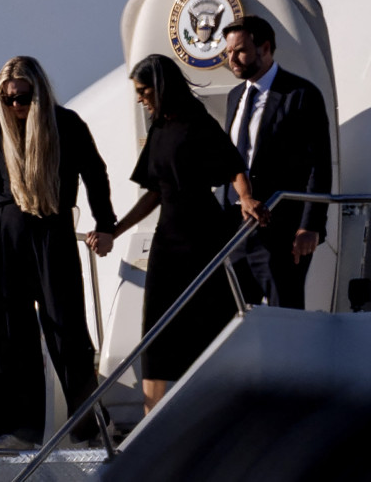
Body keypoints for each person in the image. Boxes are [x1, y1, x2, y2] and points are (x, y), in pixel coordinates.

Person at [0, 56, 117, 448]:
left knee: (66, 331)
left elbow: (95, 175)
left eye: (23, 97)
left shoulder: (67, 124)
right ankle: (18, 430)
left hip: (52, 229)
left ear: (39, 92)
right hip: (6, 235)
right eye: (8, 98)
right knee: (10, 336)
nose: (17, 106)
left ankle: (90, 424)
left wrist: (106, 225)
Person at [95, 54, 261, 413]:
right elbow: (153, 193)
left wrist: (246, 198)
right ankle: (151, 416)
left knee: (208, 320)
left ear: (161, 86)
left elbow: (233, 164)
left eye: (144, 91)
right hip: (168, 237)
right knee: (156, 327)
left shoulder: (196, 121)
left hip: (203, 233)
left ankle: (217, 409)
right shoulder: (158, 129)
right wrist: (115, 231)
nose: (141, 98)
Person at [220, 15, 332, 309]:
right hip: (236, 229)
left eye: (240, 51)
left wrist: (310, 225)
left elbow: (318, 165)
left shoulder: (300, 95)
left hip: (281, 229)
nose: (232, 59)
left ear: (266, 48)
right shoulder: (235, 97)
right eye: (228, 51)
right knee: (237, 315)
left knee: (285, 312)